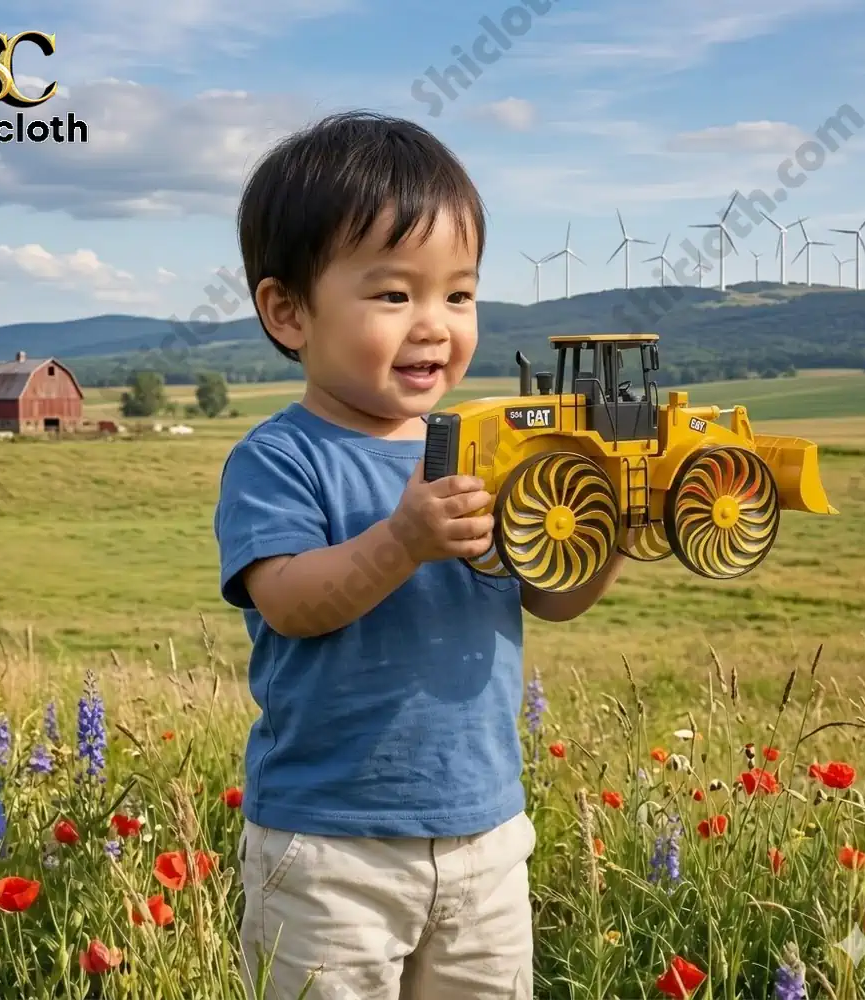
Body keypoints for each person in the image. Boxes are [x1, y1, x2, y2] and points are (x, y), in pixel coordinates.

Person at [213, 110, 625, 1000]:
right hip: (330, 850)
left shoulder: (496, 448)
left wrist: (607, 528)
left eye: (460, 294)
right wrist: (402, 539)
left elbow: (550, 599)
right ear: (288, 312)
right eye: (394, 294)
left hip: (485, 836)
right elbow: (289, 599)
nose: (434, 325)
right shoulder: (281, 458)